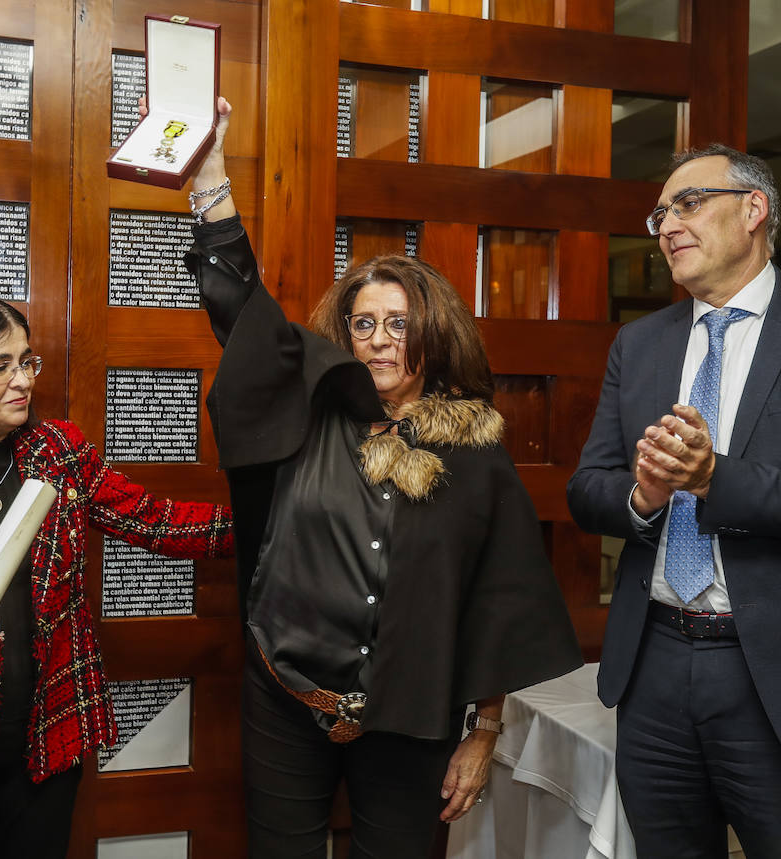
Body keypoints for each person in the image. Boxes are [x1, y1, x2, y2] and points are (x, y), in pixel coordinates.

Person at [179, 98, 581, 858]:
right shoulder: (308, 408)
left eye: (400, 323)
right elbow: (242, 311)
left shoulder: (475, 450)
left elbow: (498, 601)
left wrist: (482, 733)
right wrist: (211, 183)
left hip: (412, 714)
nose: (381, 340)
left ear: (432, 333)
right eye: (365, 323)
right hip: (286, 695)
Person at [567, 145, 781, 858]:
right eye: (659, 213)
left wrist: (712, 479)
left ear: (753, 210)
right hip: (655, 667)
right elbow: (588, 487)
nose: (666, 225)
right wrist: (646, 492)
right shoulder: (639, 344)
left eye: (688, 203)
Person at [0, 296, 234, 859]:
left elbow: (156, 522)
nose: (21, 380)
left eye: (27, 362)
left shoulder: (58, 452)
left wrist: (273, 522)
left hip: (51, 731)